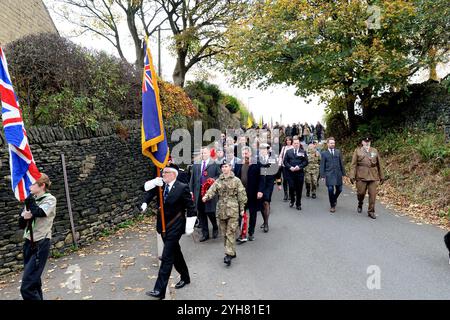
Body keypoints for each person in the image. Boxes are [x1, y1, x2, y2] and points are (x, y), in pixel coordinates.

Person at [143, 164, 196, 299]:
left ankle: (159, 290)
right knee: (175, 253)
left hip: (175, 226)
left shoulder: (182, 187)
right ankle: (185, 277)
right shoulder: (161, 185)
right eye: (162, 172)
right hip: (163, 226)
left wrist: (189, 226)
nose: (163, 174)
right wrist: (145, 202)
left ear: (173, 174)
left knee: (167, 257)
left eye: (165, 172)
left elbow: (191, 207)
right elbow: (148, 192)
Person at [19, 173, 56, 300]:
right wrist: (24, 217)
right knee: (34, 283)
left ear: (42, 186)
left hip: (40, 243)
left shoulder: (49, 199)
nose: (30, 186)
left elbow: (40, 212)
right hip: (28, 243)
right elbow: (21, 224)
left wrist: (30, 202)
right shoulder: (32, 199)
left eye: (33, 183)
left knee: (26, 287)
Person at [202, 161, 247, 266]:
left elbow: (242, 195)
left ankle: (228, 255)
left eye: (226, 166)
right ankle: (232, 251)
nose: (224, 168)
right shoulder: (218, 181)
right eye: (222, 167)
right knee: (224, 233)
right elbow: (212, 190)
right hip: (221, 210)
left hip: (233, 210)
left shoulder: (236, 181)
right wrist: (206, 196)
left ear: (230, 167)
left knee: (230, 231)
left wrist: (242, 208)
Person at [189, 147, 220, 242]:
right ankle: (205, 233)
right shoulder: (196, 164)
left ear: (209, 154)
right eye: (202, 153)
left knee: (210, 212)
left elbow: (219, 176)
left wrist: (212, 180)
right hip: (198, 193)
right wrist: (191, 190)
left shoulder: (214, 164)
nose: (203, 155)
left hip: (209, 192)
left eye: (205, 153)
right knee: (201, 213)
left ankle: (215, 227)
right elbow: (192, 179)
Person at [349, 137, 385, 219]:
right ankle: (360, 202)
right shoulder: (357, 151)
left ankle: (371, 211)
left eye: (368, 141)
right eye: (365, 141)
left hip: (373, 175)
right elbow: (353, 164)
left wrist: (382, 176)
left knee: (373, 195)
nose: (367, 143)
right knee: (361, 193)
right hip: (361, 175)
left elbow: (379, 164)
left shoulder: (374, 150)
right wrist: (352, 175)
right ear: (362, 142)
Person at [234, 146, 261, 241]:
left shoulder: (256, 164)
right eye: (243, 153)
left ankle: (251, 232)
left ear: (250, 154)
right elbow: (235, 178)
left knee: (253, 213)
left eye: (246, 153)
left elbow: (261, 179)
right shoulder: (238, 164)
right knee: (241, 213)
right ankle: (242, 233)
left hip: (253, 193)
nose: (244, 155)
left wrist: (260, 191)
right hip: (241, 193)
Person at [257, 143, 281, 232]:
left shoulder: (272, 159)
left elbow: (277, 172)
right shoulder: (257, 159)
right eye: (261, 149)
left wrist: (279, 184)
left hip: (269, 183)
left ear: (268, 150)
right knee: (262, 203)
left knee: (266, 201)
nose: (263, 150)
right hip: (259, 183)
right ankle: (264, 220)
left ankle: (266, 223)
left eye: (264, 149)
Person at [320, 137, 346, 213]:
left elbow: (341, 163)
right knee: (330, 189)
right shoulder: (324, 153)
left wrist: (343, 174)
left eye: (333, 143)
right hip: (329, 174)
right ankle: (332, 205)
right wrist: (322, 175)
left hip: (338, 174)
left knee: (339, 189)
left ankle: (334, 199)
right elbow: (322, 165)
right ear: (327, 144)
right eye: (331, 143)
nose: (332, 144)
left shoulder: (338, 152)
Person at [283, 137, 309, 210]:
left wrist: (299, 166)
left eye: (297, 143)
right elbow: (285, 161)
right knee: (291, 187)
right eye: (295, 143)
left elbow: (306, 162)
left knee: (299, 189)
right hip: (290, 173)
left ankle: (298, 204)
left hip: (299, 173)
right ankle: (292, 200)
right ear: (292, 144)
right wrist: (290, 167)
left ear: (299, 144)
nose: (296, 144)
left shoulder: (302, 152)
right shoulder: (288, 152)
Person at [278, 136, 294, 201]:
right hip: (284, 166)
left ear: (291, 141)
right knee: (285, 180)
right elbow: (281, 156)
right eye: (287, 140)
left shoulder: (293, 147)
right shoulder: (284, 148)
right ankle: (285, 194)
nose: (288, 141)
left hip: (291, 167)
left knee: (291, 180)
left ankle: (290, 194)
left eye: (289, 140)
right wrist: (279, 163)